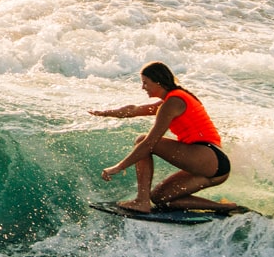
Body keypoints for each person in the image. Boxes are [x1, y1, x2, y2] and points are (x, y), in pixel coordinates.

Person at [91, 62, 232, 212]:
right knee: (160, 198)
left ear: (158, 82)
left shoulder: (174, 102)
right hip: (213, 167)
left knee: (142, 141)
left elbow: (150, 143)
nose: (142, 87)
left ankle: (141, 201)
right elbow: (134, 110)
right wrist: (105, 113)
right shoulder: (171, 100)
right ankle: (222, 207)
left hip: (208, 155)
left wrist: (119, 167)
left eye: (145, 83)